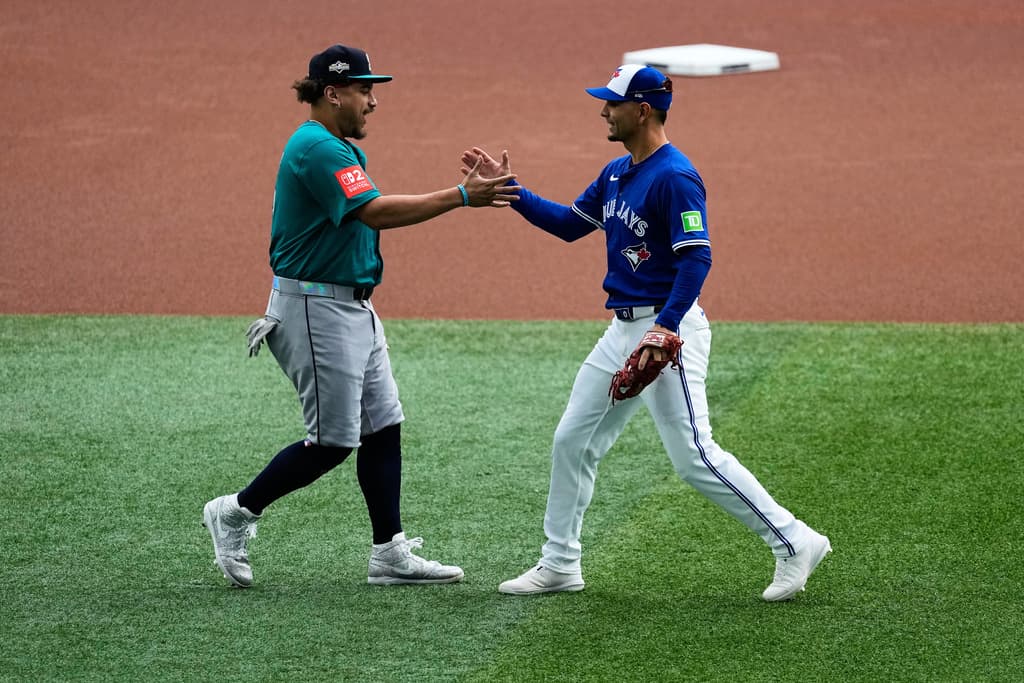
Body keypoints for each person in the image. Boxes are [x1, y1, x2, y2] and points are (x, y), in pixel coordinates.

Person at [463, 64, 830, 601]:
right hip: (622, 330)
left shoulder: (674, 177)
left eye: (611, 103)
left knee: (694, 457)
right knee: (572, 440)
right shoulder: (616, 171)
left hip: (669, 331)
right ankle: (560, 563)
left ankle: (794, 541)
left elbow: (697, 259)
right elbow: (570, 225)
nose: (602, 110)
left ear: (642, 109)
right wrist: (512, 191)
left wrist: (665, 327)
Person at [202, 43, 518, 588]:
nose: (373, 101)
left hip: (350, 307)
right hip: (313, 309)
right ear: (333, 93)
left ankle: (388, 554)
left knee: (383, 426)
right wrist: (460, 196)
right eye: (365, 90)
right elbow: (373, 212)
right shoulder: (316, 148)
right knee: (331, 442)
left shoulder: (338, 147)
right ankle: (233, 512)